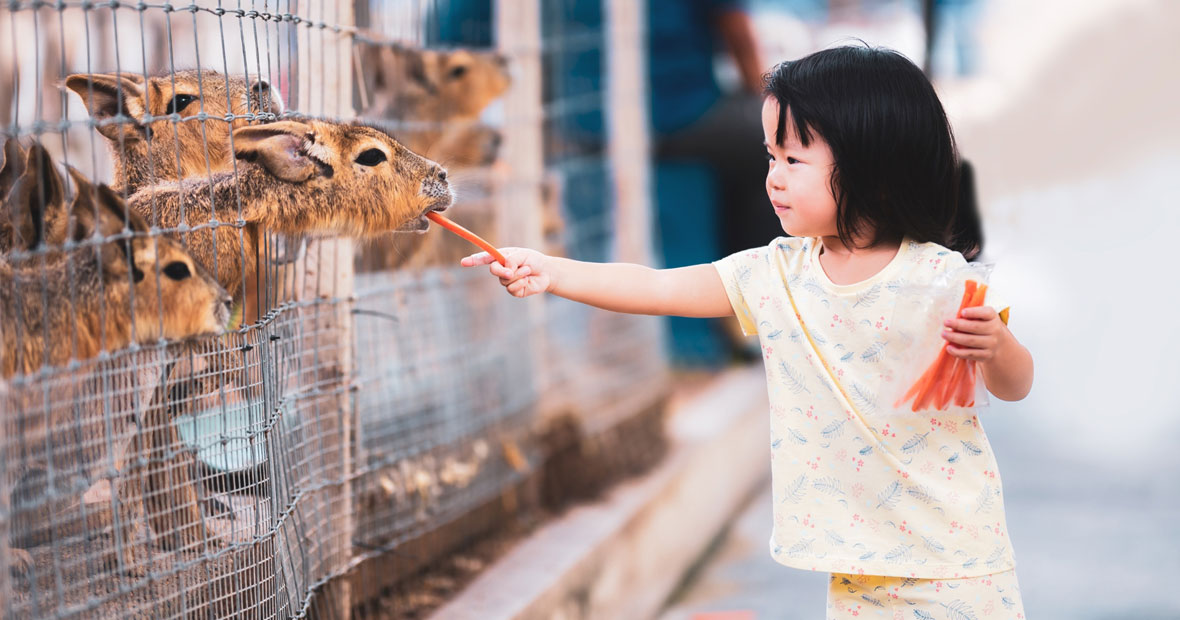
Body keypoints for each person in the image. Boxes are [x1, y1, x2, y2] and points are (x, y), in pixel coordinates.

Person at [462, 45, 1032, 617]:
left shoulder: (938, 278)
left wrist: (998, 348)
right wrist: (552, 271)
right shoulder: (774, 274)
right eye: (770, 157)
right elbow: (657, 288)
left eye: (794, 160)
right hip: (857, 570)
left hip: (957, 564)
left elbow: (1014, 384)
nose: (773, 178)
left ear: (875, 169)